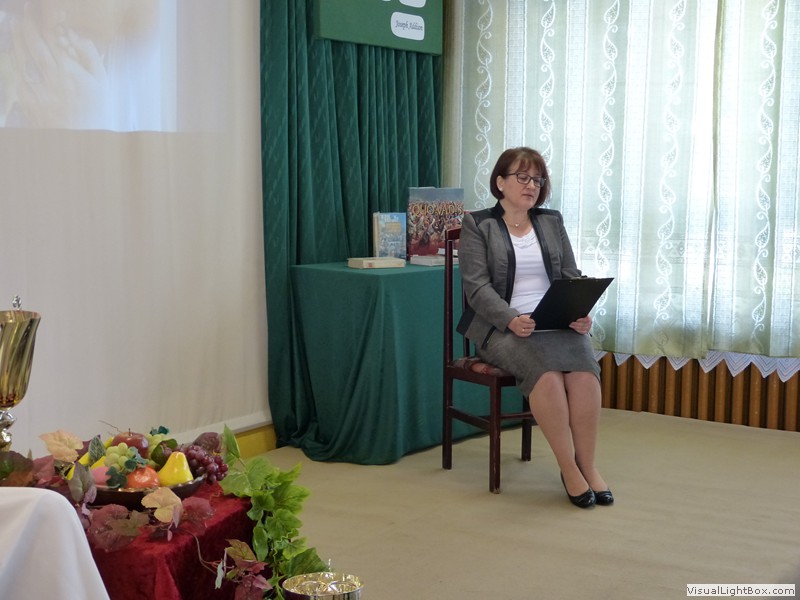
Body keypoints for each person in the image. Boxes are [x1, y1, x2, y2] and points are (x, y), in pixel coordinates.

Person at [457, 146, 612, 508]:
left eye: (538, 180)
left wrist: (579, 311)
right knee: (547, 375)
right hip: (502, 328)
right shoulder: (478, 225)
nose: (531, 185)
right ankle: (569, 470)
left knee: (584, 372)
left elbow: (570, 274)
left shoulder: (551, 222)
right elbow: (476, 288)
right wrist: (510, 318)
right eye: (523, 177)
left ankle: (588, 466)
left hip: (555, 323)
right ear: (500, 182)